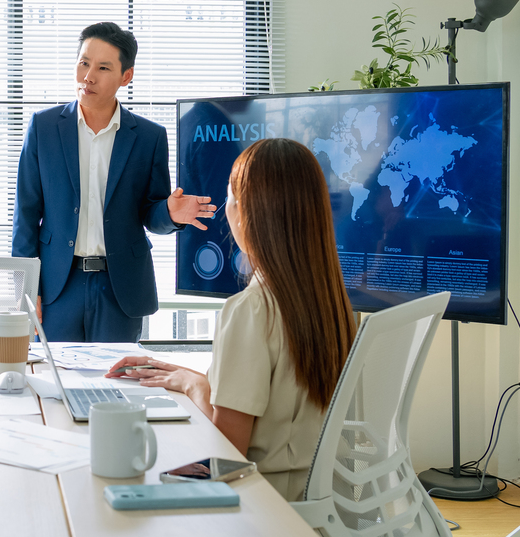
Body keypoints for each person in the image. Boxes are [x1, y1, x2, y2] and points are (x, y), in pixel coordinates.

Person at [105, 138, 356, 501]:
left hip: (262, 504)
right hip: (316, 502)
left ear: (249, 213)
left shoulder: (250, 309)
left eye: (230, 198)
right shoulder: (330, 300)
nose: (226, 209)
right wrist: (186, 375)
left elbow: (228, 450)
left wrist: (196, 389)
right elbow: (280, 404)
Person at [12, 21, 215, 342]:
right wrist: (25, 287)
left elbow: (151, 214)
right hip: (56, 286)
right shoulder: (44, 127)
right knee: (54, 382)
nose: (88, 76)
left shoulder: (149, 137)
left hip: (120, 288)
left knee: (114, 385)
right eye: (83, 63)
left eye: (103, 67)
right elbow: (25, 215)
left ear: (126, 76)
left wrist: (171, 214)